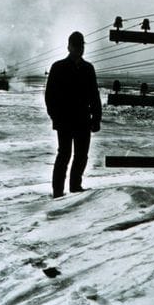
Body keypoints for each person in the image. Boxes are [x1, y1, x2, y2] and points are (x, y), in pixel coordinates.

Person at [45, 31, 102, 198]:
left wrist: (96, 118)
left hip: (83, 120)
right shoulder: (58, 67)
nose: (79, 49)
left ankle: (75, 187)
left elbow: (94, 95)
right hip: (65, 121)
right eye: (76, 46)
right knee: (64, 154)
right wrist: (56, 117)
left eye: (82, 46)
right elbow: (50, 97)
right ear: (69, 46)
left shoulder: (88, 68)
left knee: (81, 155)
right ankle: (57, 192)